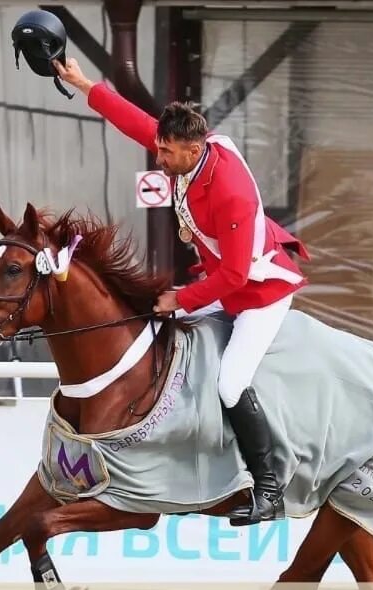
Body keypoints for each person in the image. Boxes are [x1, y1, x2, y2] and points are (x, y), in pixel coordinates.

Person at [54, 58, 312, 525]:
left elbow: (235, 278)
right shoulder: (187, 152)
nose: (159, 159)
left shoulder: (231, 191)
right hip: (226, 280)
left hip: (260, 293)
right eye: (160, 148)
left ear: (194, 150)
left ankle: (269, 488)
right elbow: (138, 123)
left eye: (168, 153)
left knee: (231, 382)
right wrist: (85, 84)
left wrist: (183, 297)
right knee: (159, 329)